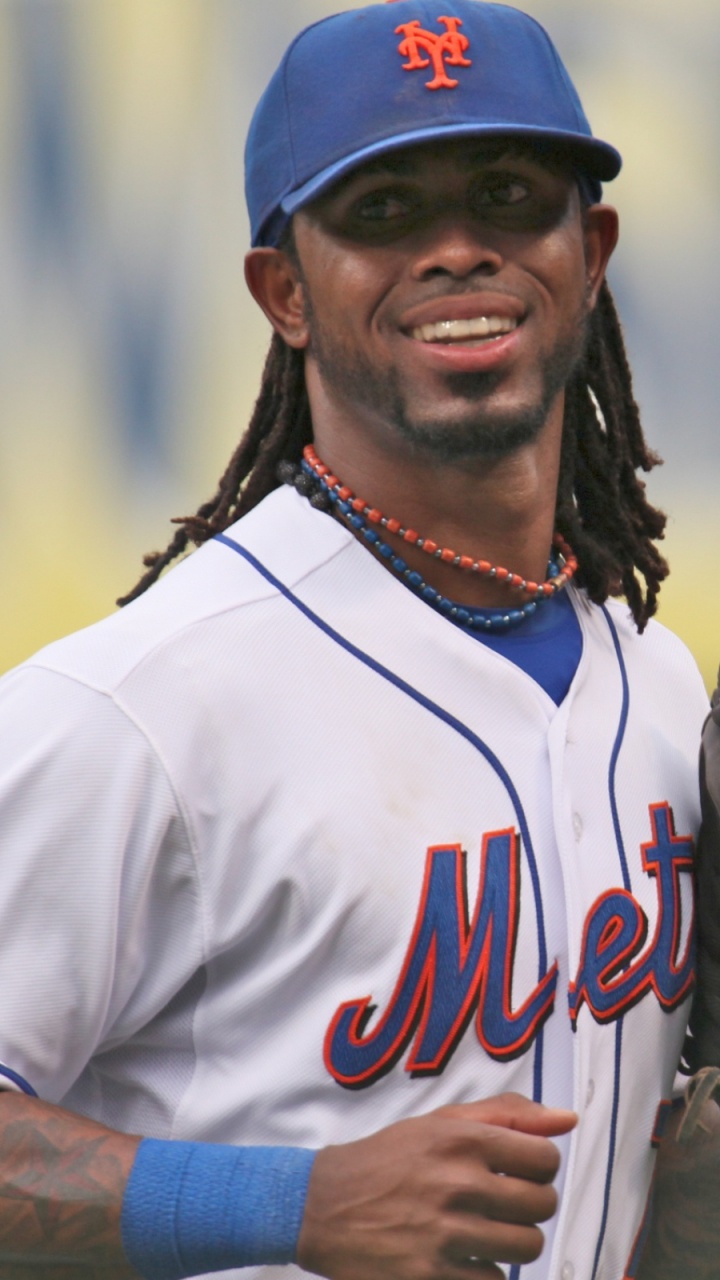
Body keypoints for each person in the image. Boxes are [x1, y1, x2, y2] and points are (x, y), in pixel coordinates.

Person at [0, 2, 709, 1278]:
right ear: (284, 290)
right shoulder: (134, 709)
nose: (456, 251)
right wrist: (286, 1200)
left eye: (507, 194)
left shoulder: (657, 689)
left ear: (590, 252)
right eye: (381, 212)